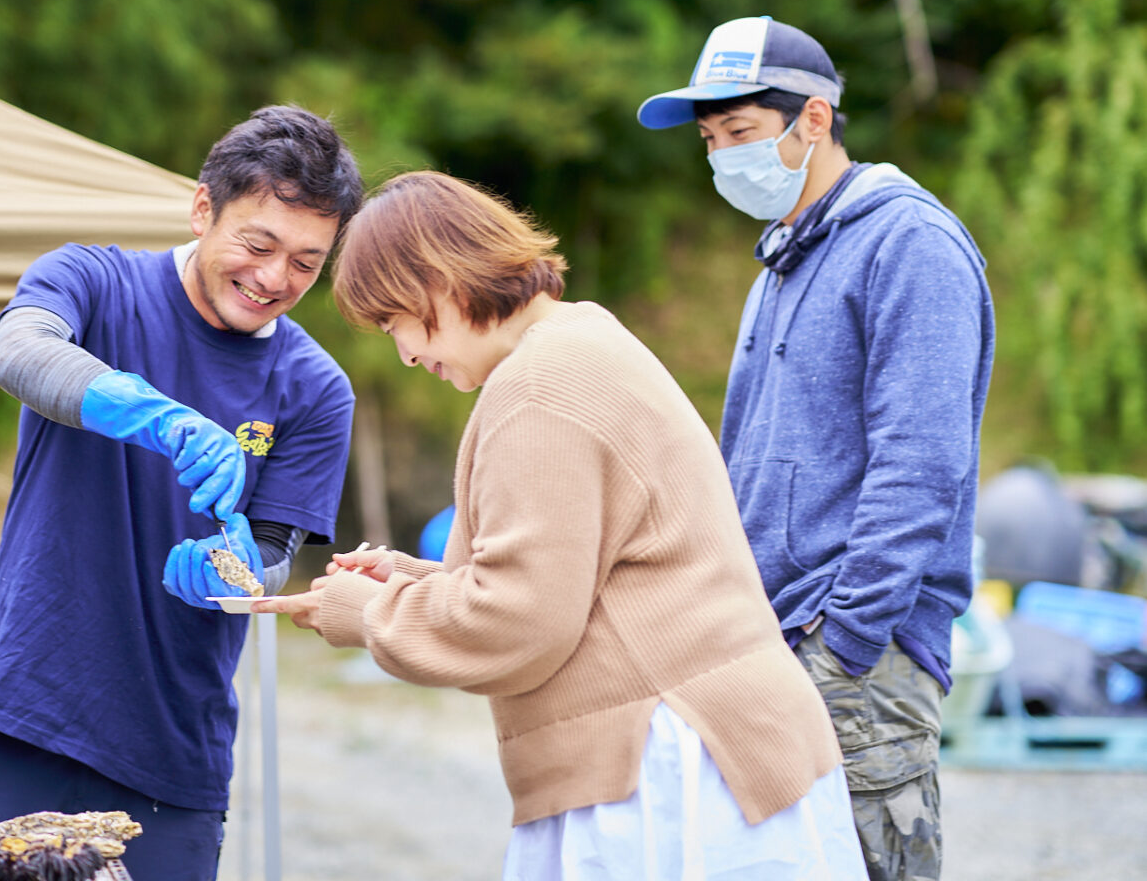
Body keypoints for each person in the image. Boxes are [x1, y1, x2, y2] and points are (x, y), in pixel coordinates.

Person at [255, 170, 865, 880]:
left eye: (396, 322)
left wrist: (372, 616)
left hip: (667, 763)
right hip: (709, 742)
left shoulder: (538, 387)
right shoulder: (580, 339)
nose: (408, 354)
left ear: (439, 283)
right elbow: (583, 573)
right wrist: (409, 579)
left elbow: (521, 621)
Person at [0, 105, 363, 880]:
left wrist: (234, 569)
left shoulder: (315, 389)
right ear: (203, 207)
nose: (273, 279)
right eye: (257, 244)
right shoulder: (93, 282)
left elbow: (271, 559)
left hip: (172, 754)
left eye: (305, 263)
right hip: (21, 713)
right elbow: (20, 350)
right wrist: (156, 416)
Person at [637, 15, 995, 880]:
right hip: (766, 641)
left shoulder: (909, 245)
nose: (724, 157)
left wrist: (846, 641)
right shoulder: (783, 262)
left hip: (854, 659)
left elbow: (921, 466)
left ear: (815, 121)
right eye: (712, 139)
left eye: (743, 133)